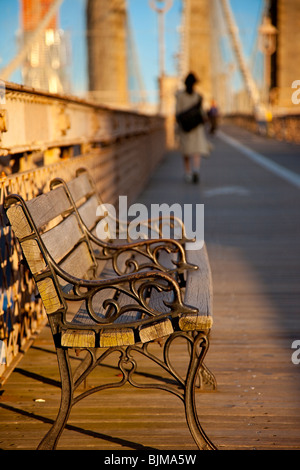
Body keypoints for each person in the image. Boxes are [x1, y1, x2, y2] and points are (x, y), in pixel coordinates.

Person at [175, 72, 210, 183]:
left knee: (186, 151)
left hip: (185, 127)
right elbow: (201, 113)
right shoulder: (198, 97)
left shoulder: (180, 96)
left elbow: (177, 113)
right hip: (196, 127)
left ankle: (188, 172)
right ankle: (196, 169)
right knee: (196, 150)